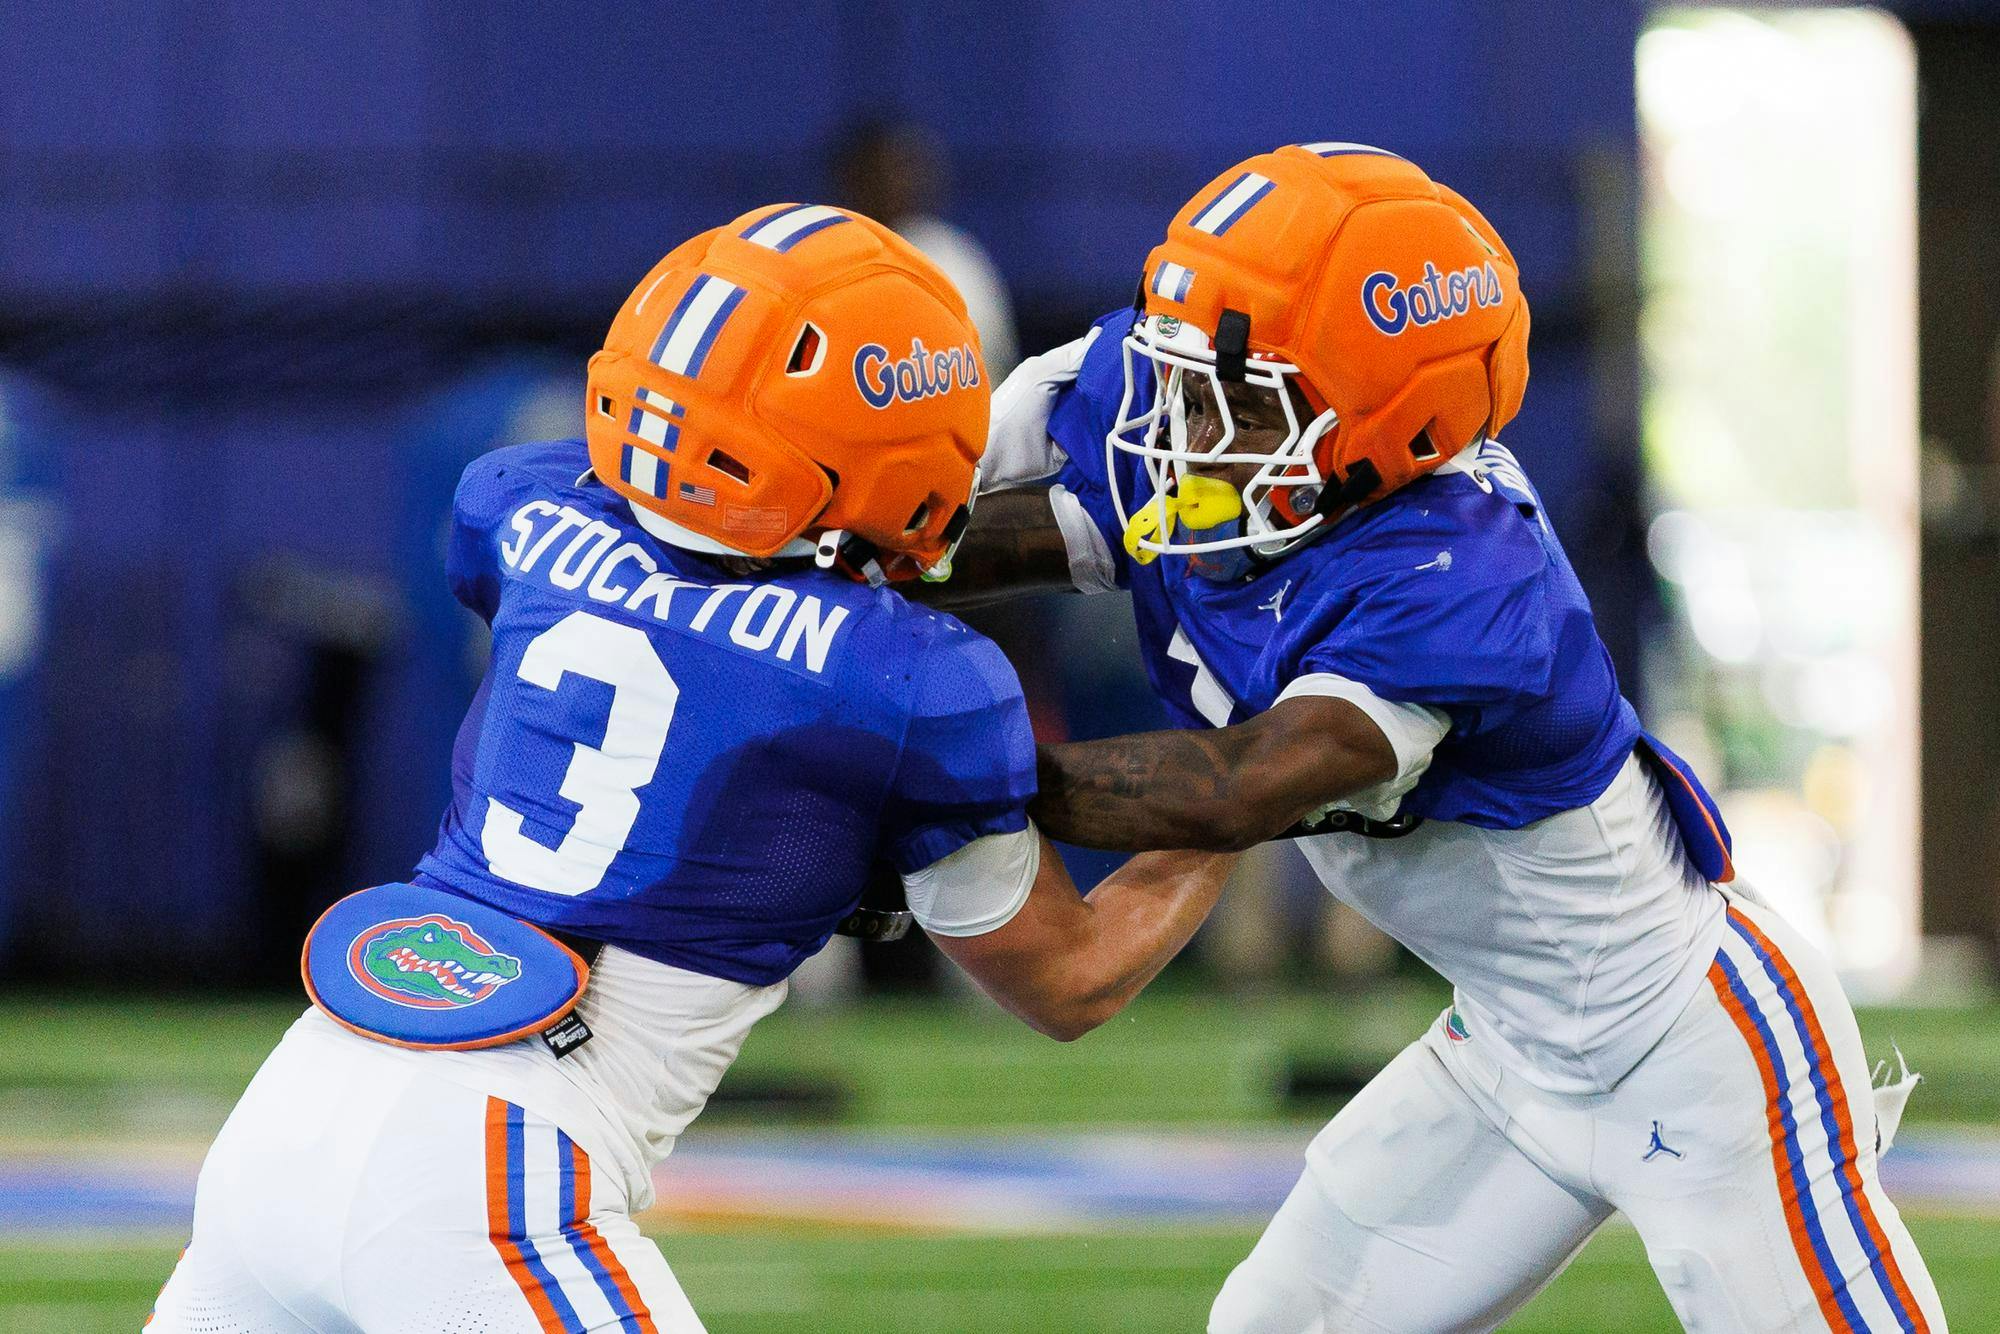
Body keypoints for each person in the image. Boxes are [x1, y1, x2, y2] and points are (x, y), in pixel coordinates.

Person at [147, 204, 1234, 1332]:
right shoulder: (907, 675)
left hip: (289, 1114)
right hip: (488, 1162)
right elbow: (1069, 977)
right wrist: (1247, 785)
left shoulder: (521, 501)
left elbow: (670, 614)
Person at [941, 144, 1947, 1332]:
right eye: (1187, 380)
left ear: (1379, 421)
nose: (1182, 421)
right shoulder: (1210, 405)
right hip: (1506, 1046)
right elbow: (954, 514)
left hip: (1695, 1046)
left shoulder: (1460, 573)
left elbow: (1237, 789)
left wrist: (936, 773)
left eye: (1238, 397)